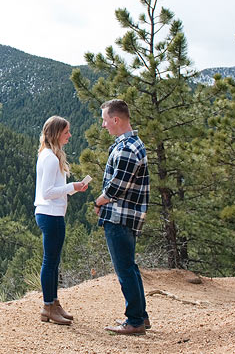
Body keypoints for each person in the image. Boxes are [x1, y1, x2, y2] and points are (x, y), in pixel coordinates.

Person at [95, 99, 151, 335]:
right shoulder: (132, 144)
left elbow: (118, 186)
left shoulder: (127, 148)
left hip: (120, 217)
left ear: (116, 119)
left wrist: (100, 200)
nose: (104, 125)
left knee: (124, 269)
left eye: (105, 120)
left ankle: (135, 320)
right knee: (130, 267)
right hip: (125, 215)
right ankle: (141, 316)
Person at [34, 116, 88, 325]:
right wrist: (71, 187)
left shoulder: (48, 155)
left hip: (51, 213)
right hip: (50, 214)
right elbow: (47, 192)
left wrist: (73, 189)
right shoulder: (49, 158)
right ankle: (48, 306)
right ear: (57, 134)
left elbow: (52, 190)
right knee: (50, 262)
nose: (69, 136)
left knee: (54, 261)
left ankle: (53, 303)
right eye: (66, 132)